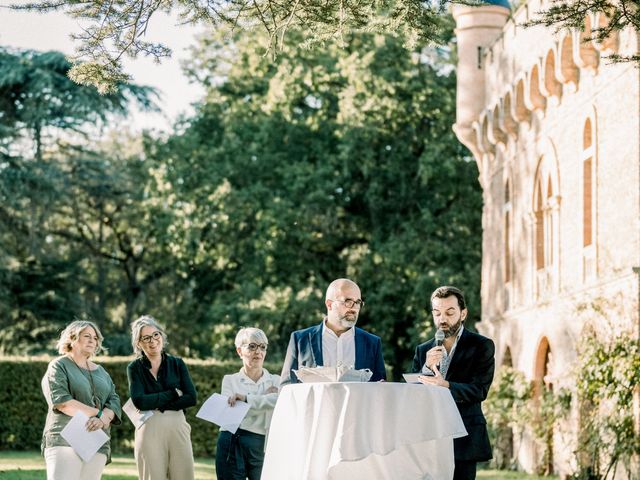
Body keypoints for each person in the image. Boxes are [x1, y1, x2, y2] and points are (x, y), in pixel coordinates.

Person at [412, 286, 495, 480]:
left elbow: (479, 390)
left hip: (464, 435)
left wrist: (446, 386)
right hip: (428, 436)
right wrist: (425, 368)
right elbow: (412, 393)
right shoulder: (422, 350)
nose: (442, 319)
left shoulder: (481, 345)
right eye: (437, 313)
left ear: (463, 313)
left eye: (449, 312)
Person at [41, 320, 122, 480]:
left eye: (95, 337)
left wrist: (104, 418)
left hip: (96, 439)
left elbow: (114, 399)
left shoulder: (102, 372)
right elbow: (62, 402)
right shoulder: (59, 365)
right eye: (87, 336)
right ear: (72, 338)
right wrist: (99, 414)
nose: (93, 340)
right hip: (65, 437)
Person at [127, 315, 197, 480]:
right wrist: (173, 393)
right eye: (146, 338)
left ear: (161, 335)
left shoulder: (177, 363)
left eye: (156, 334)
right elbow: (139, 401)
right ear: (139, 343)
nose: (153, 341)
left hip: (178, 426)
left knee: (184, 476)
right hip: (148, 428)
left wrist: (160, 404)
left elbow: (191, 398)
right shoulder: (134, 368)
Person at [281, 278, 386, 385]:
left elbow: (379, 390)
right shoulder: (300, 339)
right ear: (329, 304)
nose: (354, 308)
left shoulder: (372, 343)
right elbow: (286, 388)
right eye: (348, 301)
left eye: (358, 302)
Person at [216, 327, 281, 480]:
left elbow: (280, 403)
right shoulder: (229, 380)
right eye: (252, 346)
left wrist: (245, 399)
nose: (258, 351)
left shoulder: (276, 380)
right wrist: (265, 398)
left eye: (262, 347)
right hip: (231, 442)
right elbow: (230, 417)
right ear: (239, 351)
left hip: (263, 444)